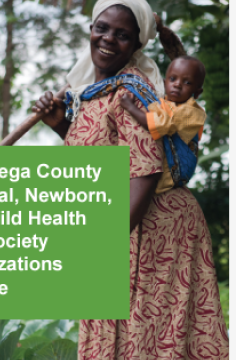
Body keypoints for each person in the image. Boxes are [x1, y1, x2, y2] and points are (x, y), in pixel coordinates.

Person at [33, 0, 229, 358]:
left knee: (143, 341)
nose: (108, 39)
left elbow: (145, 172)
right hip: (128, 222)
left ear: (137, 46)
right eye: (102, 28)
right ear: (90, 31)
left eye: (122, 35)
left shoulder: (129, 92)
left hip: (152, 229)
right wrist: (60, 123)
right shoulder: (96, 91)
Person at [120, 55, 207, 194]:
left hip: (176, 169)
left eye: (187, 83)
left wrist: (130, 107)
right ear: (164, 82)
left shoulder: (190, 111)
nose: (177, 84)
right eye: (173, 79)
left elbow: (158, 125)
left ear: (196, 93)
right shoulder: (165, 102)